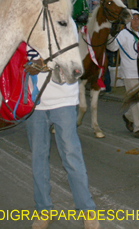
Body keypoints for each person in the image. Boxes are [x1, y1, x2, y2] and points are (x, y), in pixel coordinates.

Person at [25, 44, 99, 229]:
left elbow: (75, 62)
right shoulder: (24, 25)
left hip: (63, 101)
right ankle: (43, 209)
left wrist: (44, 64)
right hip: (33, 103)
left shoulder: (65, 23)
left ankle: (87, 210)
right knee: (38, 158)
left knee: (71, 156)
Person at [107, 10, 139, 138]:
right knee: (135, 101)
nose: (136, 21)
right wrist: (111, 35)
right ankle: (138, 128)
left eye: (138, 19)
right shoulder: (123, 34)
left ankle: (129, 116)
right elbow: (112, 48)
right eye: (134, 19)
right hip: (129, 72)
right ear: (129, 21)